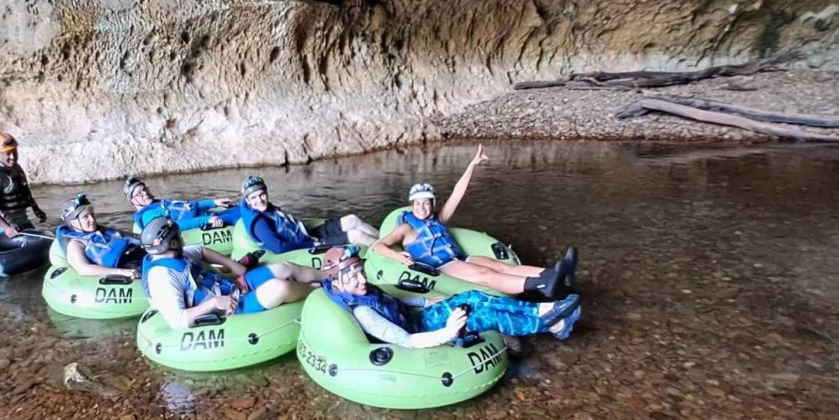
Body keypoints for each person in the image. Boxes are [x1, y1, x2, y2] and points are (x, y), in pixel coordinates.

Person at [371, 146, 576, 299]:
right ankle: (542, 285)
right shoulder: (406, 228)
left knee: (503, 267)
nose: (422, 207)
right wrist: (397, 256)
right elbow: (378, 246)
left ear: (432, 204)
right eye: (417, 204)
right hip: (442, 267)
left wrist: (472, 165)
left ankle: (556, 274)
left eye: (426, 203)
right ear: (411, 205)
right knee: (485, 274)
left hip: (460, 258)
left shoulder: (438, 219)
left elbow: (458, 192)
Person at [322, 246, 582, 345]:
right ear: (338, 284)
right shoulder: (364, 312)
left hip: (420, 317)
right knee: (482, 315)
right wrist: (447, 333)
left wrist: (425, 300)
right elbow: (406, 341)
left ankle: (542, 311)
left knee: (472, 295)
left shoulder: (364, 292)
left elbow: (395, 301)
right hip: (422, 332)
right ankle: (550, 322)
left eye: (360, 271)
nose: (362, 278)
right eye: (353, 276)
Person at [140, 216, 322, 329]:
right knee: (278, 287)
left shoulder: (177, 254)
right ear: (171, 243)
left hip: (232, 287)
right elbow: (178, 321)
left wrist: (234, 266)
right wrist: (214, 303)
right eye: (178, 236)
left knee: (284, 267)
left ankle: (328, 277)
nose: (182, 238)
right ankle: (317, 291)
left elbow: (202, 251)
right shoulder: (162, 277)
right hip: (229, 307)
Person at [236, 175, 379, 254]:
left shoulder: (266, 208)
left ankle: (386, 239)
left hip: (307, 234)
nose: (259, 200)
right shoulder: (260, 223)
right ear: (247, 201)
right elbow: (278, 248)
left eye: (261, 195)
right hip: (305, 244)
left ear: (266, 193)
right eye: (253, 198)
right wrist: (311, 243)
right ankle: (386, 252)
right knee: (356, 235)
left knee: (352, 220)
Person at [54, 194, 142, 281]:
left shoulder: (102, 231)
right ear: (74, 222)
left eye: (92, 214)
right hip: (127, 266)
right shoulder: (75, 244)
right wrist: (122, 272)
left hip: (136, 255)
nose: (92, 219)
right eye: (86, 217)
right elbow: (83, 269)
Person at [0, 133, 45, 236]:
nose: (13, 157)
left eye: (15, 152)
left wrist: (37, 210)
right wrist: (7, 228)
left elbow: (25, 191)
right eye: (8, 153)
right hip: (7, 225)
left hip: (23, 219)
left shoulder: (15, 167)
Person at [125, 176, 240, 232]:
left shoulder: (156, 204)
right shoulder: (148, 216)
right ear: (133, 201)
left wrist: (213, 202)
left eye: (145, 189)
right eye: (139, 193)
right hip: (202, 221)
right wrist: (207, 220)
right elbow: (176, 226)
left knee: (241, 208)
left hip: (204, 214)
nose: (145, 193)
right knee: (241, 216)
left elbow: (188, 206)